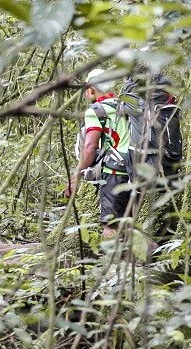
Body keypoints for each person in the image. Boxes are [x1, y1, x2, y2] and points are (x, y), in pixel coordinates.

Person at [65, 68, 132, 239]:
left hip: (114, 173)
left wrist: (75, 176)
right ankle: (141, 260)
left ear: (91, 89)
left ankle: (109, 264)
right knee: (127, 224)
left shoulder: (95, 110)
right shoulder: (125, 106)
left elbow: (90, 146)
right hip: (135, 171)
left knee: (110, 226)